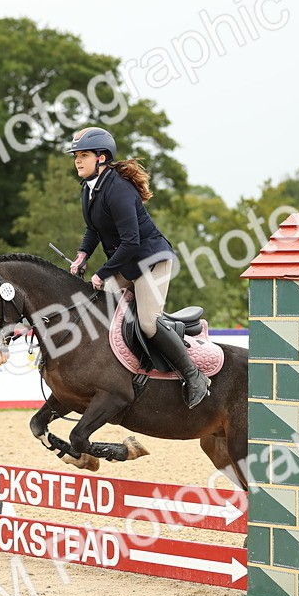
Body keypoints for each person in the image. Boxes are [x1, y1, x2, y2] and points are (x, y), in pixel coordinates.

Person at [66, 126, 210, 408]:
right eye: (76, 156)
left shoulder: (118, 189)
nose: (78, 161)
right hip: (128, 263)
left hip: (151, 261)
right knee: (97, 306)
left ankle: (194, 377)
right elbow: (93, 230)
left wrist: (103, 272)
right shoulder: (89, 189)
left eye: (83, 155)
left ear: (102, 158)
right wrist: (83, 255)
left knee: (147, 321)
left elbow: (131, 241)